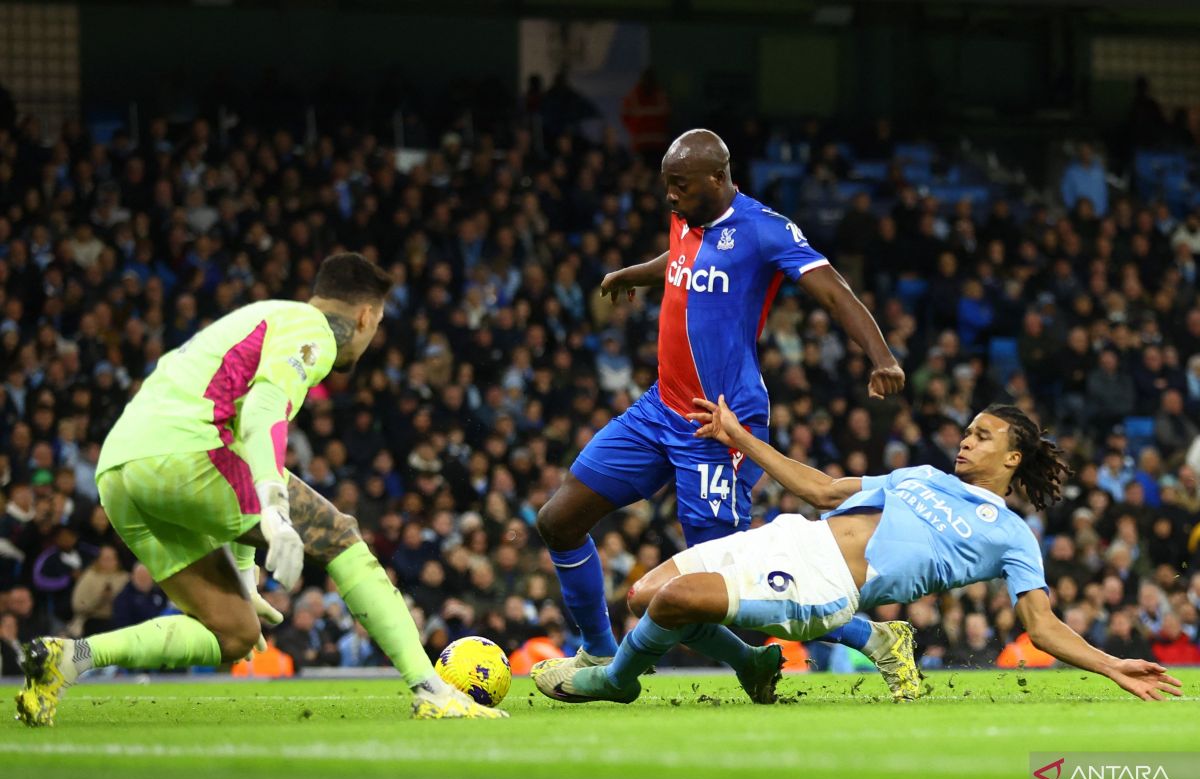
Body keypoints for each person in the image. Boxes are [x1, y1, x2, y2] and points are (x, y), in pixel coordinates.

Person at [15, 253, 503, 726]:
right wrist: (273, 505)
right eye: (375, 328)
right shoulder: (313, 332)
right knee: (340, 535)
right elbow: (264, 408)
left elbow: (233, 449)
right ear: (366, 316)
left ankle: (71, 657)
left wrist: (245, 576)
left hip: (120, 471)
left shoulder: (261, 317)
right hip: (186, 452)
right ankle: (429, 689)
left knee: (234, 631)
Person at [532, 129, 913, 702]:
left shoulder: (764, 229)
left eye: (679, 186)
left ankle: (874, 637)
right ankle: (601, 650)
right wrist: (634, 274)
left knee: (728, 584)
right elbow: (681, 258)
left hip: (718, 427)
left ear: (718, 178)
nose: (670, 197)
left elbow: (832, 290)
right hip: (659, 409)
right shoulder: (687, 215)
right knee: (558, 520)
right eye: (666, 186)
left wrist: (881, 356)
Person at [536, 399, 1183, 704]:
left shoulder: (1012, 535)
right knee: (643, 596)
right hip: (795, 534)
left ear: (1012, 458)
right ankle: (756, 666)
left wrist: (1111, 665)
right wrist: (739, 437)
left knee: (675, 601)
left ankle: (613, 681)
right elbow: (819, 487)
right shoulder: (924, 475)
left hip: (823, 585)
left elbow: (1040, 627)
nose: (966, 441)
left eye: (983, 437)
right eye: (967, 430)